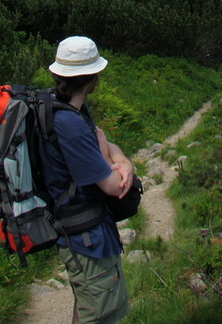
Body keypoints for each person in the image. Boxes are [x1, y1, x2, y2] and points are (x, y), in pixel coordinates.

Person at [39, 35, 133, 324]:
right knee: (101, 314)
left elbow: (102, 142)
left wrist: (119, 159)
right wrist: (115, 161)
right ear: (92, 78)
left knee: (88, 306)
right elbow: (113, 186)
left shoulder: (59, 106)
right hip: (86, 236)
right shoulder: (71, 124)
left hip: (75, 229)